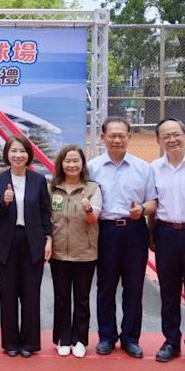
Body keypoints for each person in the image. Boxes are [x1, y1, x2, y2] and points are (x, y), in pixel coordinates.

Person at [88, 116, 157, 358]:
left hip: (134, 230)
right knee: (105, 287)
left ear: (129, 137)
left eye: (122, 135)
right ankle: (107, 336)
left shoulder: (143, 168)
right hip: (105, 231)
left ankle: (130, 337)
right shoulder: (92, 168)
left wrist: (143, 210)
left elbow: (152, 201)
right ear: (103, 137)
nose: (117, 140)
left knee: (134, 287)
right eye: (112, 135)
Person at [0, 134, 52, 358]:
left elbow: (45, 212)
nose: (18, 155)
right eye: (13, 151)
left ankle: (29, 343)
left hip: (32, 241)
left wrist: (48, 239)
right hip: (6, 242)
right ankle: (10, 343)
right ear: (7, 154)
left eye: (22, 151)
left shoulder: (38, 180)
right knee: (8, 295)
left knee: (30, 295)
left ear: (29, 155)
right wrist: (5, 202)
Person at [150, 118, 185, 369]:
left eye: (176, 134)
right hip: (165, 233)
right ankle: (171, 341)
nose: (171, 140)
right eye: (166, 136)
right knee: (169, 291)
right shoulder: (154, 168)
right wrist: (151, 234)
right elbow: (152, 205)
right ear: (159, 141)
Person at [49, 145, 101, 358]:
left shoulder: (92, 188)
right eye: (67, 161)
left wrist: (88, 208)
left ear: (82, 164)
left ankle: (80, 339)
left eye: (76, 161)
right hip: (59, 252)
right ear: (61, 164)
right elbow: (46, 219)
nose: (71, 164)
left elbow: (94, 218)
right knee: (61, 297)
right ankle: (63, 338)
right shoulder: (52, 188)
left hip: (85, 252)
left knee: (81, 297)